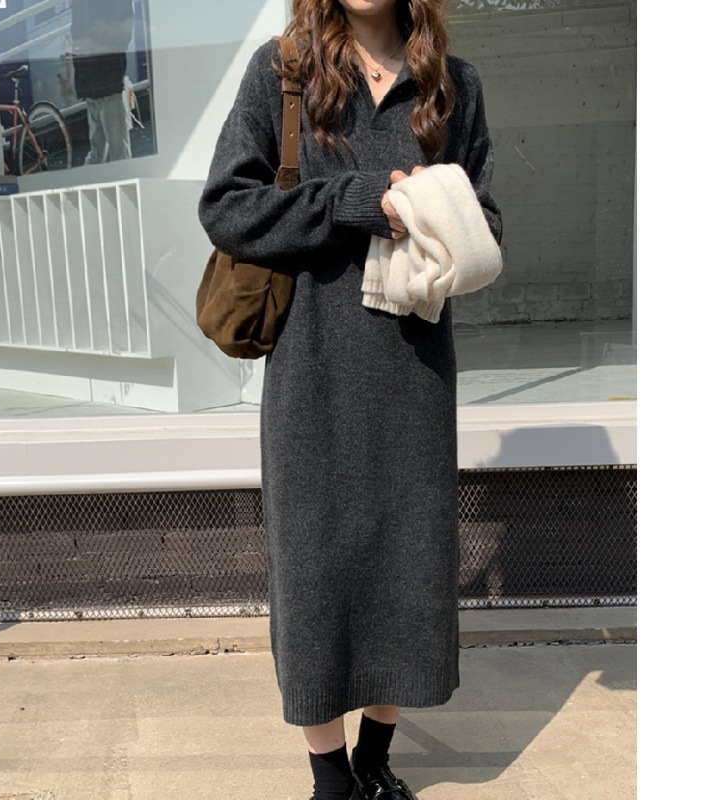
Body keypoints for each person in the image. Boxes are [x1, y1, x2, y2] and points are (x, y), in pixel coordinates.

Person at [198, 1, 502, 798]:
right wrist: (361, 202)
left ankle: (375, 757)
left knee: (406, 565)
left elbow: (487, 224)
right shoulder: (282, 73)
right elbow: (226, 207)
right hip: (313, 372)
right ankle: (330, 775)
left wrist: (436, 209)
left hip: (414, 372)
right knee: (315, 573)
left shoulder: (454, 85)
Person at [70, 0, 134, 165]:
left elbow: (121, 34)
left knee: (103, 151)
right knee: (116, 151)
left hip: (97, 78)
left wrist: (92, 37)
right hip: (100, 78)